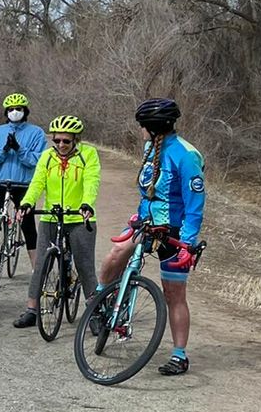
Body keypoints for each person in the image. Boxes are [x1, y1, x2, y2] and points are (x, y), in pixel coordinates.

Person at [95, 98, 205, 375]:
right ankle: (100, 300)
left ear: (152, 127)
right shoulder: (150, 148)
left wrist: (188, 243)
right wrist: (138, 215)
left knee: (174, 293)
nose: (140, 130)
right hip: (146, 223)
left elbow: (195, 204)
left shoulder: (186, 155)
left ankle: (179, 356)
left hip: (175, 231)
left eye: (142, 125)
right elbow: (149, 192)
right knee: (116, 254)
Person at [12, 115, 100, 329]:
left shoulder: (88, 154)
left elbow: (92, 181)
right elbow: (37, 183)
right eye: (57, 140)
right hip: (51, 217)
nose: (61, 145)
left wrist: (87, 204)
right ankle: (32, 309)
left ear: (76, 139)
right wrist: (26, 203)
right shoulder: (47, 157)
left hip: (80, 217)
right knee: (41, 264)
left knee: (85, 266)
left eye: (66, 141)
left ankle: (95, 313)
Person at [0, 92, 46, 281]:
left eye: (18, 109)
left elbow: (36, 161)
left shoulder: (36, 132)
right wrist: (4, 149)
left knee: (28, 225)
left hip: (24, 184)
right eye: (11, 109)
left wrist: (19, 149)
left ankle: (36, 269)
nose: (14, 112)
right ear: (6, 112)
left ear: (25, 111)